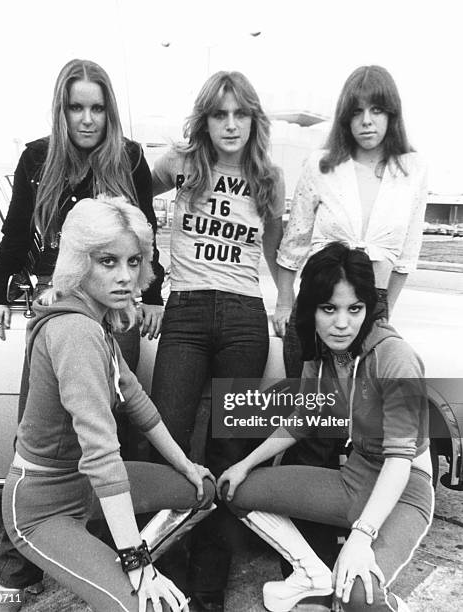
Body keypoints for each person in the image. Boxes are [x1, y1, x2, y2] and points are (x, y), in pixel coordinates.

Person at [0, 59, 165, 602]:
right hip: (53, 302)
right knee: (34, 433)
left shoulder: (129, 158)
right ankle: (17, 571)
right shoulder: (37, 157)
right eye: (76, 107)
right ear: (62, 110)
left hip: (118, 308)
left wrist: (150, 295)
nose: (87, 119)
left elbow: (144, 230)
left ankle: (105, 556)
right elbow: (16, 231)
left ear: (110, 111)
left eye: (98, 108)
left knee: (108, 430)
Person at [1, 195, 216, 612]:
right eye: (107, 261)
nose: (125, 276)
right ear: (80, 262)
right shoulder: (75, 333)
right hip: (42, 506)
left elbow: (140, 406)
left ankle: (122, 564)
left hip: (83, 487)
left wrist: (187, 466)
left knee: (201, 490)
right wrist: (137, 566)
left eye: (133, 262)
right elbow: (101, 453)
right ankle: (128, 574)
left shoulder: (96, 325)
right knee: (154, 608)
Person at [270, 65, 429, 608]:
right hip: (317, 305)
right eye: (357, 111)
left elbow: (406, 255)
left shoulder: (412, 170)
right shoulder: (323, 164)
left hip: (373, 306)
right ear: (344, 115)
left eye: (378, 110)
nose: (367, 122)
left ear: (392, 114)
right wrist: (288, 301)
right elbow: (292, 245)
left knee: (364, 429)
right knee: (315, 422)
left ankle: (358, 544)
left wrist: (378, 323)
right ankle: (309, 562)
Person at [218, 242, 434, 612]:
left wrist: (361, 537)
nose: (341, 323)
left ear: (368, 308)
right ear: (312, 309)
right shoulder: (321, 354)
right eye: (328, 308)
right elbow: (303, 420)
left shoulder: (394, 358)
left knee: (359, 598)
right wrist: (245, 464)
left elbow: (399, 459)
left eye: (355, 309)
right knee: (233, 490)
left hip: (404, 488)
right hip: (355, 478)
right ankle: (311, 576)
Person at [150, 70, 286, 611]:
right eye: (219, 114)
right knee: (168, 438)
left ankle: (210, 578)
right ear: (204, 119)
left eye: (240, 114)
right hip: (182, 312)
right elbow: (128, 195)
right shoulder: (179, 163)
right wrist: (144, 284)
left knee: (232, 449)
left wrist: (287, 304)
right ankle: (165, 563)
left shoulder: (268, 177)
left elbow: (277, 255)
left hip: (242, 316)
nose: (230, 125)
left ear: (254, 119)